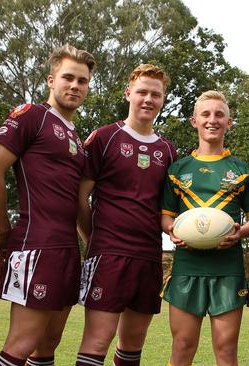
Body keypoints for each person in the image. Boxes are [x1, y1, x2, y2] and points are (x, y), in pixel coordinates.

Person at [0, 44, 95, 366]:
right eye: (68, 78)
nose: (75, 86)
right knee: (22, 342)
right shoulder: (31, 115)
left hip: (66, 248)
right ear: (51, 80)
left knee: (48, 344)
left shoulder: (74, 134)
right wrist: (3, 228)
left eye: (82, 81)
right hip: (36, 244)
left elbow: (75, 199)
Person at [76, 64, 177, 366]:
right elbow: (79, 198)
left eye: (155, 94)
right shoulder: (105, 138)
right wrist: (95, 239)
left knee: (132, 346)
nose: (148, 99)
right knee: (97, 341)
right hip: (109, 254)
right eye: (142, 92)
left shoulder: (168, 150)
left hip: (148, 256)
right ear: (128, 93)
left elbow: (167, 209)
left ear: (162, 100)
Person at [160, 90, 249, 366]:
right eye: (205, 114)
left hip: (226, 269)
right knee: (182, 347)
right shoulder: (177, 170)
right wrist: (172, 230)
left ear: (229, 123)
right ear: (194, 121)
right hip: (186, 268)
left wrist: (240, 232)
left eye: (220, 115)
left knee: (226, 350)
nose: (212, 120)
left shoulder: (243, 170)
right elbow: (165, 216)